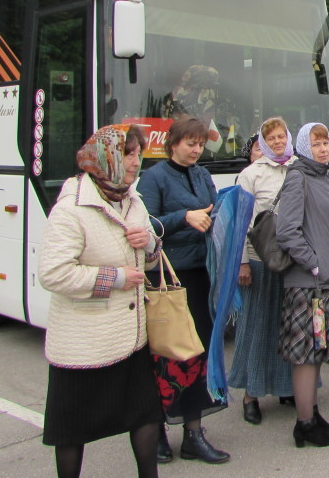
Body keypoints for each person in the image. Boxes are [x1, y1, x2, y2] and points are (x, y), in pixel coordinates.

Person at [39, 125, 163, 478]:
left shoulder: (133, 201)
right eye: (128, 154)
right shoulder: (71, 209)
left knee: (146, 416)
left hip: (131, 339)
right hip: (83, 345)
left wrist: (150, 245)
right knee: (71, 431)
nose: (136, 162)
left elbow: (150, 260)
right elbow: (54, 274)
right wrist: (116, 278)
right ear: (105, 157)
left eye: (139, 155)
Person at [136, 116, 229, 465]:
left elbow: (214, 212)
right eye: (190, 143)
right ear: (172, 143)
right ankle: (157, 430)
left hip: (203, 275)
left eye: (201, 143)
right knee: (165, 357)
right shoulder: (154, 177)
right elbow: (145, 226)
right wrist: (184, 217)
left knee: (197, 356)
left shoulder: (204, 175)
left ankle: (193, 432)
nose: (196, 149)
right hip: (168, 280)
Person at [276, 122, 329, 448]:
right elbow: (287, 231)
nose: (323, 148)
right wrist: (314, 261)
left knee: (318, 348)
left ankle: (313, 414)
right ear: (304, 146)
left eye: (326, 142)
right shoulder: (298, 178)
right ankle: (303, 423)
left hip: (327, 281)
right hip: (307, 282)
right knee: (305, 354)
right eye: (316, 143)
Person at [229, 118, 297, 425]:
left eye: (282, 136)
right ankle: (250, 395)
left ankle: (286, 387)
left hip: (292, 261)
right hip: (258, 260)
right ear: (263, 141)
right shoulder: (250, 174)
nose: (279, 141)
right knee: (255, 327)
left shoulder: (299, 168)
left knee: (288, 327)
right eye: (272, 137)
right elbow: (239, 222)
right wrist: (242, 261)